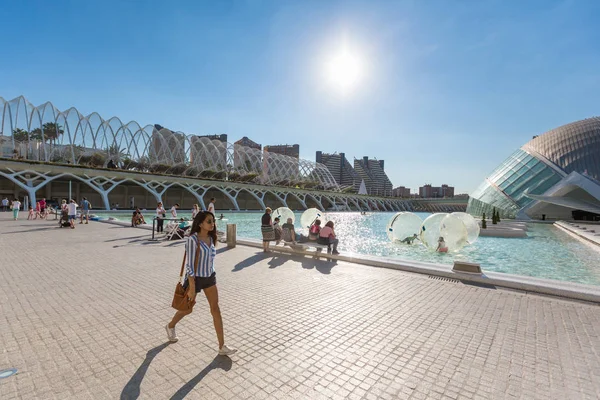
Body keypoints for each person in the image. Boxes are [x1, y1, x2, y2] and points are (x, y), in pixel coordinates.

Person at [165, 211, 237, 356]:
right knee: (188, 309)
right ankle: (170, 326)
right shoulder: (192, 239)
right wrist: (192, 287)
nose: (212, 224)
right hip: (195, 279)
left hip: (210, 277)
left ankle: (222, 346)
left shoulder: (212, 238)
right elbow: (190, 265)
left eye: (213, 221)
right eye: (209, 221)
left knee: (215, 309)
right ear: (200, 224)